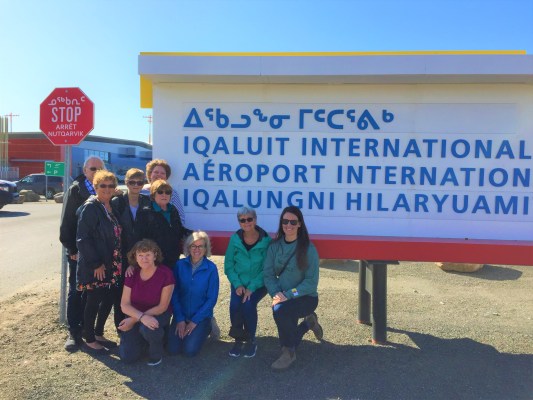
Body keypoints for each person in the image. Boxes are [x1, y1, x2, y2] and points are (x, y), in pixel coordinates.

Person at [141, 159, 221, 339]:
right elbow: (141, 237)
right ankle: (149, 332)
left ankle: (168, 329)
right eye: (156, 172)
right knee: (151, 294)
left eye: (162, 173)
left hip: (169, 259)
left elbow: (179, 228)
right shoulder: (144, 205)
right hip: (151, 261)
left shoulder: (172, 208)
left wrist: (196, 236)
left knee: (168, 293)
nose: (164, 194)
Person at [263, 206, 323, 370]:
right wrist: (276, 294)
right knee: (280, 310)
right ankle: (306, 326)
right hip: (282, 295)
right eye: (285, 221)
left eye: (293, 222)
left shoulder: (309, 249)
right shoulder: (274, 247)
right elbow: (268, 274)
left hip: (306, 298)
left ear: (299, 224)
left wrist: (289, 294)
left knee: (282, 312)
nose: (288, 225)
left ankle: (288, 352)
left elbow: (311, 282)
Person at [59, 156, 105, 351]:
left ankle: (89, 332)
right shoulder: (76, 189)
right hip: (79, 252)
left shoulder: (105, 188)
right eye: (93, 168)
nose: (96, 171)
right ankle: (73, 332)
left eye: (100, 168)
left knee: (91, 292)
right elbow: (67, 223)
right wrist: (72, 249)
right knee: (76, 291)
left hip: (97, 253)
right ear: (85, 170)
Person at [76, 170, 122, 353]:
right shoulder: (91, 207)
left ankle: (98, 333)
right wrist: (96, 264)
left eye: (111, 185)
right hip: (97, 264)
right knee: (94, 300)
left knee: (108, 298)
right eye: (103, 185)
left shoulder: (110, 206)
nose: (107, 189)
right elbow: (82, 238)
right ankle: (89, 338)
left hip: (112, 262)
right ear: (95, 187)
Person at [118, 239, 175, 366]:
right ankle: (143, 342)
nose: (144, 259)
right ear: (135, 258)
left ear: (155, 255)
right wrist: (141, 317)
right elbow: (124, 304)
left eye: (148, 255)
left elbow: (162, 306)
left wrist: (134, 320)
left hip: (158, 314)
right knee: (127, 357)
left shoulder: (166, 274)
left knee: (148, 328)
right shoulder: (131, 274)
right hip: (137, 314)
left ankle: (156, 352)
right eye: (140, 255)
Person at [224, 206, 271, 358]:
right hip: (239, 283)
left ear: (255, 220)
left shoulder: (266, 240)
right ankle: (239, 339)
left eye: (249, 219)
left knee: (248, 304)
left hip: (258, 284)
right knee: (235, 305)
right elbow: (229, 265)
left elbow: (267, 268)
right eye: (242, 220)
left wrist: (252, 287)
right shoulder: (234, 239)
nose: (246, 222)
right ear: (239, 222)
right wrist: (237, 284)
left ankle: (251, 340)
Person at [168, 231, 219, 357]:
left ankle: (209, 327)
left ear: (205, 248)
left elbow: (211, 299)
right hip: (182, 315)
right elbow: (174, 293)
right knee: (172, 349)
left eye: (200, 246)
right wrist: (179, 319)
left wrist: (195, 321)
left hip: (200, 317)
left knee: (189, 351)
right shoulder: (180, 265)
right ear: (188, 248)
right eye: (193, 246)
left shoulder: (211, 268)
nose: (197, 249)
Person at [111, 168, 151, 327]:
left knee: (139, 291)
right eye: (132, 182)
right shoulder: (117, 202)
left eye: (139, 182)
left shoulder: (147, 202)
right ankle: (121, 329)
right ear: (126, 182)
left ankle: (138, 325)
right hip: (121, 255)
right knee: (120, 293)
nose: (136, 185)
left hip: (141, 255)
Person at [137, 179, 191, 270]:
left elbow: (178, 230)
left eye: (168, 192)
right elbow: (139, 238)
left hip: (173, 259)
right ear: (153, 194)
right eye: (160, 192)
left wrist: (194, 234)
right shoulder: (145, 212)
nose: (164, 195)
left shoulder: (173, 209)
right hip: (154, 262)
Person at [141, 159, 185, 224]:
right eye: (156, 172)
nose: (159, 175)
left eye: (162, 173)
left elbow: (181, 217)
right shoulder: (140, 191)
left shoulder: (171, 193)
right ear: (150, 174)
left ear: (166, 177)